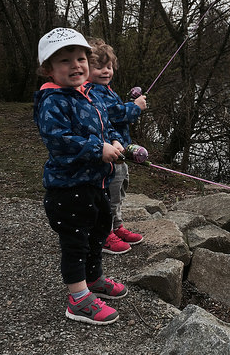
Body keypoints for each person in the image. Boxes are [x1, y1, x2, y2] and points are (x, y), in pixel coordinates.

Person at [33, 27, 128, 325]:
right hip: (68, 187)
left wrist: (113, 141)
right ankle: (78, 298)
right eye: (65, 61)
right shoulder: (53, 101)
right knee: (75, 242)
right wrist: (96, 148)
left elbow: (106, 125)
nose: (76, 65)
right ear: (48, 69)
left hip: (95, 183)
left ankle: (94, 278)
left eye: (80, 58)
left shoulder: (89, 94)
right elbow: (58, 139)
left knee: (99, 230)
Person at [86, 38, 146, 255]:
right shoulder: (92, 91)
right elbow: (116, 114)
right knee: (109, 191)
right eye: (99, 67)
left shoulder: (107, 89)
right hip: (107, 152)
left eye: (109, 66)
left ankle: (117, 226)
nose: (105, 71)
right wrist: (135, 107)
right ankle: (105, 234)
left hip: (118, 149)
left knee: (119, 188)